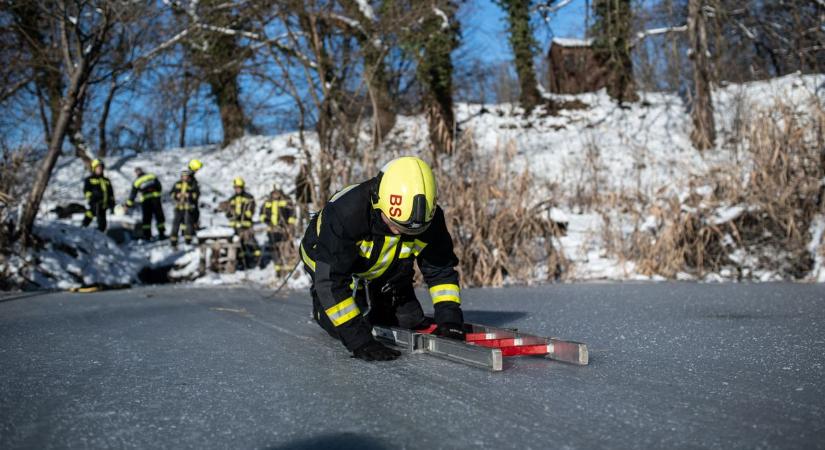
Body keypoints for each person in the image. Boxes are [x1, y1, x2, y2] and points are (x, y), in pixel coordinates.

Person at [299, 156, 464, 362]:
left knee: (408, 320)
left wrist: (450, 318)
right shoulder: (346, 213)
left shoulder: (429, 218)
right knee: (341, 322)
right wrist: (360, 341)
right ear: (378, 202)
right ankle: (321, 309)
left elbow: (440, 268)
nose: (399, 232)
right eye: (396, 224)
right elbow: (330, 281)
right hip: (326, 259)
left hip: (383, 262)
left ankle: (382, 294)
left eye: (411, 230)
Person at [226, 177, 261, 267]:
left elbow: (250, 211)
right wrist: (230, 214)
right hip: (235, 227)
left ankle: (257, 260)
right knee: (238, 245)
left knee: (250, 242)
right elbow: (228, 212)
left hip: (246, 226)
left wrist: (244, 214)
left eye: (239, 187)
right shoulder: (232, 199)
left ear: (242, 187)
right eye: (236, 187)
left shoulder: (249, 198)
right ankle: (241, 261)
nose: (237, 189)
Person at [259, 185, 297, 271]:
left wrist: (289, 226)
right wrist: (267, 222)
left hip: (284, 229)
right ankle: (278, 267)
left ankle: (288, 266)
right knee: (274, 248)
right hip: (272, 230)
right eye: (274, 192)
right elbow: (262, 214)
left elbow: (292, 213)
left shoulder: (286, 200)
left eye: (277, 192)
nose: (275, 194)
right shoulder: (267, 202)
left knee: (285, 246)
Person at [125, 167, 166, 240]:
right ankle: (161, 234)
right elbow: (159, 186)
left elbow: (133, 194)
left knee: (147, 218)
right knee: (159, 216)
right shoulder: (151, 176)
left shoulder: (137, 181)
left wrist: (128, 205)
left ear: (136, 173)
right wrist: (157, 193)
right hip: (155, 199)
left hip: (146, 201)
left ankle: (147, 236)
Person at [82, 158, 115, 232]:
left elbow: (110, 192)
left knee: (102, 222)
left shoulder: (106, 180)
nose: (100, 169)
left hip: (104, 204)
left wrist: (112, 201)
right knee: (90, 214)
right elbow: (86, 190)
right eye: (98, 167)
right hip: (95, 203)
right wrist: (91, 197)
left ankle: (100, 234)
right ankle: (83, 227)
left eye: (101, 167)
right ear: (94, 168)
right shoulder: (89, 179)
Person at [169, 169, 199, 248]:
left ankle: (188, 241)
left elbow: (196, 195)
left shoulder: (192, 184)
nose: (185, 178)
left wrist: (189, 195)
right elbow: (171, 193)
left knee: (188, 224)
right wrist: (176, 195)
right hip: (178, 207)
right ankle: (173, 241)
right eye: (183, 176)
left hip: (187, 208)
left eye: (186, 176)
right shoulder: (177, 184)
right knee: (175, 224)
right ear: (181, 177)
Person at [188, 159, 203, 229]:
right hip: (190, 200)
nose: (198, 171)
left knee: (196, 213)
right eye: (197, 169)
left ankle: (194, 227)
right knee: (191, 214)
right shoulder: (189, 178)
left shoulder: (192, 177)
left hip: (193, 200)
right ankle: (190, 229)